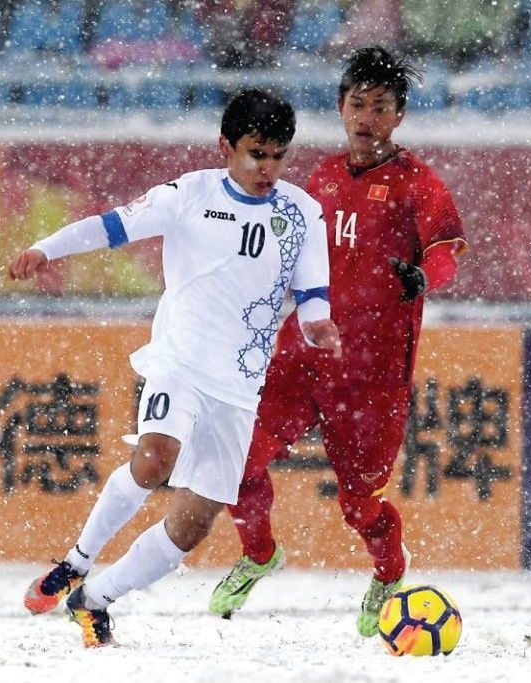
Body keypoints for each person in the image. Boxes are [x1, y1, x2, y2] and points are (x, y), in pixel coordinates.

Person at [11, 88, 341, 648]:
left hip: (239, 387)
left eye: (278, 155)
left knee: (192, 525)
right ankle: (76, 560)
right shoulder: (188, 194)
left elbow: (313, 290)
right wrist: (47, 249)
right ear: (226, 146)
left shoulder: (302, 213)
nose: (268, 168)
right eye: (256, 153)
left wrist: (317, 322)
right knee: (154, 458)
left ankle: (94, 599)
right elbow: (112, 226)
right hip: (181, 363)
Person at [208, 46, 466, 638]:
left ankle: (388, 573)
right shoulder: (319, 178)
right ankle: (258, 553)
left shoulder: (417, 184)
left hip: (371, 377)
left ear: (399, 116)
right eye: (357, 104)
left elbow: (449, 251)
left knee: (361, 507)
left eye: (380, 107)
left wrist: (425, 277)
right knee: (235, 463)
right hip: (302, 358)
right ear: (340, 108)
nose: (366, 117)